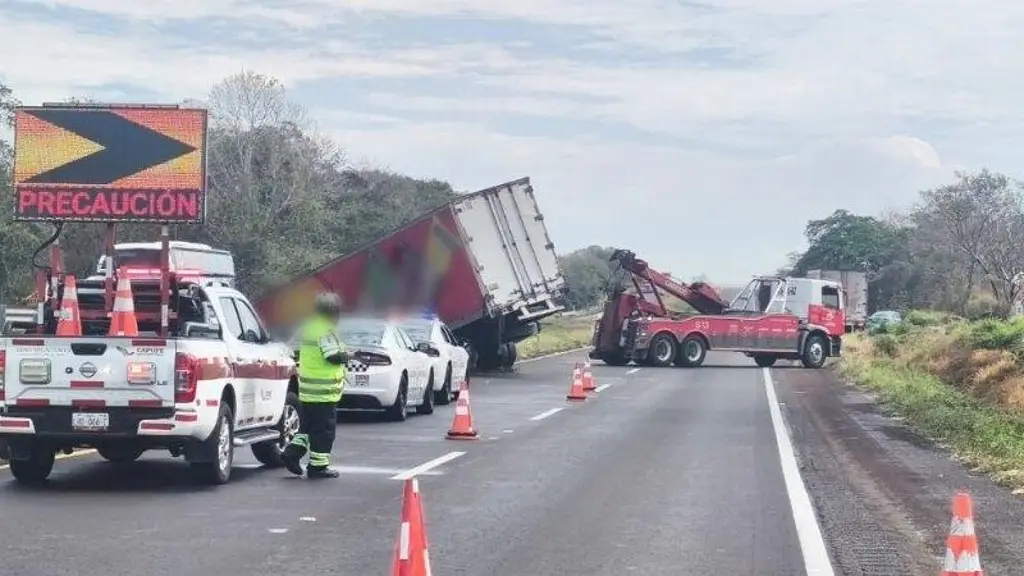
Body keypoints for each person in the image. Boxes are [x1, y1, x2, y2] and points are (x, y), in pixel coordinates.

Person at [281, 292, 348, 479]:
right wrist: (347, 356)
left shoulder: (308, 328)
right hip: (324, 392)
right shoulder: (325, 330)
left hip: (308, 391)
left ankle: (291, 454)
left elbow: (293, 349)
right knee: (324, 431)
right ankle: (318, 467)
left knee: (308, 428)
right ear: (332, 312)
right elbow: (332, 355)